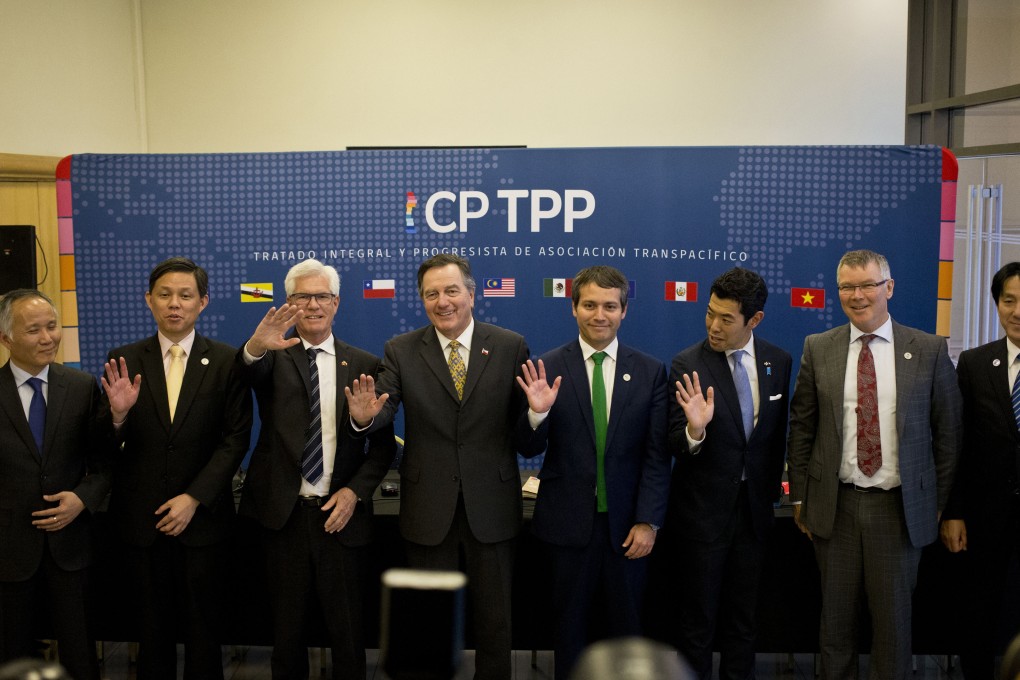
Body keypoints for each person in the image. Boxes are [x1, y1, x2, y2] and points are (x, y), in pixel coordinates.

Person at [345, 253, 531, 680]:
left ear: (471, 293)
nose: (442, 301)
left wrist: (536, 414)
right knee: (427, 623)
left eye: (451, 291)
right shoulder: (401, 349)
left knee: (495, 621)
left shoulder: (509, 345)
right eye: (431, 294)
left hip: (492, 505)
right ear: (422, 300)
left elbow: (526, 434)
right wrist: (363, 417)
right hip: (429, 507)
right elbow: (382, 409)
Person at [787, 249, 962, 680]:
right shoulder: (818, 348)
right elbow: (802, 428)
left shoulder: (928, 349)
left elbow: (949, 434)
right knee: (835, 628)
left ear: (889, 287)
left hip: (898, 511)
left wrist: (937, 503)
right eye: (847, 286)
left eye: (867, 285)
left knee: (893, 629)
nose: (857, 295)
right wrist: (801, 499)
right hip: (836, 508)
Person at [236, 259, 396, 680]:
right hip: (283, 517)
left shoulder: (364, 363)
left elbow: (381, 449)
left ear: (336, 303)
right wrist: (255, 347)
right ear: (289, 303)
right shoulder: (273, 354)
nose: (312, 304)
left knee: (347, 636)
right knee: (286, 638)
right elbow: (246, 372)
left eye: (321, 296)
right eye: (302, 296)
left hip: (340, 518)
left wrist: (354, 492)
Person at [100, 257, 253, 680]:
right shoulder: (124, 359)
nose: (174, 304)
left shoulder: (225, 361)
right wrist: (116, 417)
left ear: (202, 302)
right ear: (148, 300)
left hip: (203, 522)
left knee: (205, 633)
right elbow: (104, 447)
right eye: (164, 295)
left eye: (185, 296)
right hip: (141, 523)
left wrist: (194, 497)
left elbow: (235, 439)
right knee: (151, 635)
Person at [516, 265, 671, 679]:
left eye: (609, 306)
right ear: (574, 308)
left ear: (624, 312)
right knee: (569, 631)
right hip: (566, 527)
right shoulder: (547, 367)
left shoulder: (650, 371)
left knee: (628, 631)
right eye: (589, 305)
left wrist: (647, 520)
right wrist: (536, 412)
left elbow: (657, 455)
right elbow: (528, 446)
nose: (598, 314)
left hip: (628, 529)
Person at [666, 267, 791, 680]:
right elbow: (675, 444)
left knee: (744, 622)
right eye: (709, 313)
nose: (713, 326)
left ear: (754, 320)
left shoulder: (778, 361)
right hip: (703, 517)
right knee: (697, 625)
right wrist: (695, 430)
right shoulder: (688, 363)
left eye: (726, 319)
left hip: (754, 516)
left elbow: (773, 439)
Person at [0, 289, 111, 680]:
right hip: (9, 548)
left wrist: (82, 499)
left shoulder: (80, 387)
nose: (48, 337)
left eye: (52, 326)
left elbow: (104, 463)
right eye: (34, 330)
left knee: (80, 651)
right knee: (11, 652)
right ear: (6, 338)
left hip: (71, 544)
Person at [940, 261, 1020, 679]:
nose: (1018, 311)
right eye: (1009, 300)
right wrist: (953, 511)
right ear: (997, 304)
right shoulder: (972, 363)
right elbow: (958, 444)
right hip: (985, 518)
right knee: (979, 615)